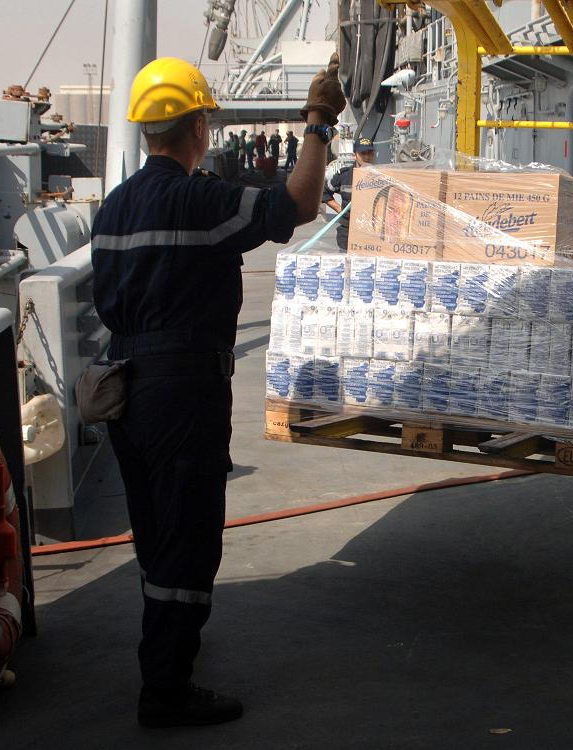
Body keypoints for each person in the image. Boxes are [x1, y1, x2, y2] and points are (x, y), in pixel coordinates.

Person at [90, 54, 345, 727]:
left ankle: (168, 649)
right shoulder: (197, 202)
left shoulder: (113, 207)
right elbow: (297, 204)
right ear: (200, 127)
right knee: (190, 536)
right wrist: (318, 121)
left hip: (126, 386)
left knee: (156, 528)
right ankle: (166, 689)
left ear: (146, 128)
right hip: (181, 390)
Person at [322, 137, 375, 251]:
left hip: (373, 234)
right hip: (348, 232)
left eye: (370, 153)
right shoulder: (344, 176)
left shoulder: (381, 177)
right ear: (355, 155)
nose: (367, 157)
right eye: (363, 153)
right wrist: (339, 209)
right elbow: (324, 193)